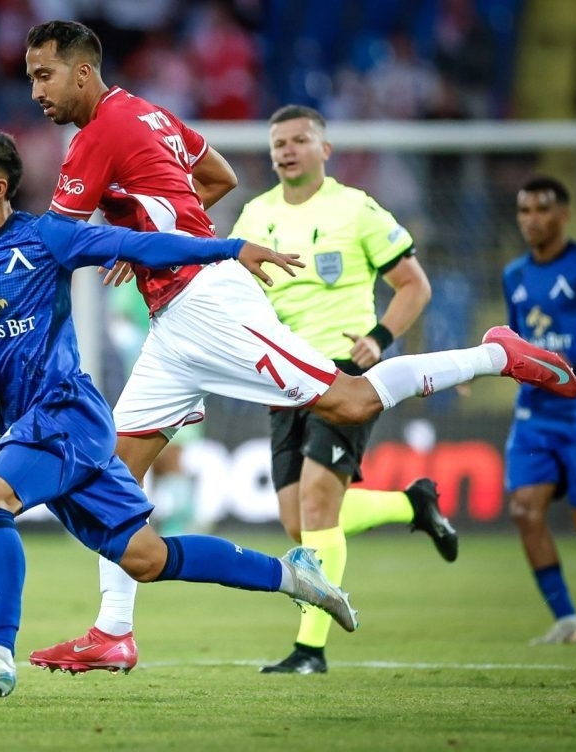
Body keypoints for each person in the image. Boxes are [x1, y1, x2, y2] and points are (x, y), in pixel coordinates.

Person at [22, 19, 576, 675]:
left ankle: (496, 355)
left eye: (44, 75)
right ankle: (113, 633)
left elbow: (54, 244)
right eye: (31, 77)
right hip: (172, 318)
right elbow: (218, 175)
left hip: (205, 301)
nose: (36, 91)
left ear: (83, 72)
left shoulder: (97, 135)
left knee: (349, 401)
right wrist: (148, 240)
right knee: (112, 473)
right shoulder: (150, 114)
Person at [0, 128, 359, 699]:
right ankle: (294, 576)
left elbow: (140, 246)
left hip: (65, 412)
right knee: (146, 557)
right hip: (36, 424)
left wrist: (227, 249)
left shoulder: (46, 237)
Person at [228, 105, 458, 675]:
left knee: (316, 505)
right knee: (297, 521)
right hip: (282, 375)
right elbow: (233, 291)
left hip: (343, 373)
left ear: (324, 150)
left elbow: (413, 285)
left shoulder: (356, 208)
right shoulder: (255, 214)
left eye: (299, 139)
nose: (287, 150)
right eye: (278, 142)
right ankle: (412, 503)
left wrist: (379, 339)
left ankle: (310, 650)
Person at [503, 175, 576, 645]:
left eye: (542, 209)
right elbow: (514, 339)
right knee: (524, 509)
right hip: (533, 415)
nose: (532, 219)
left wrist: (571, 356)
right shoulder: (514, 275)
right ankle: (568, 622)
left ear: (564, 215)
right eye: (524, 210)